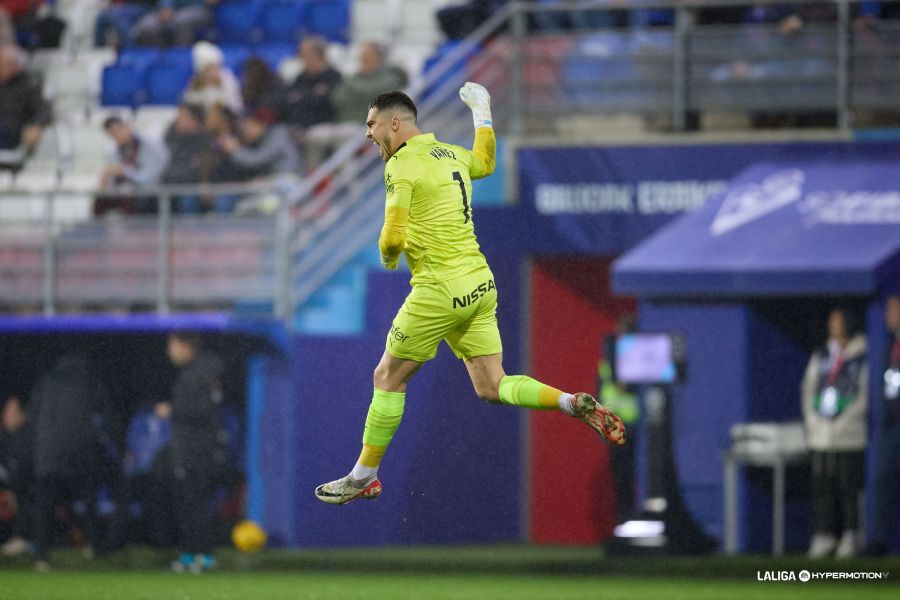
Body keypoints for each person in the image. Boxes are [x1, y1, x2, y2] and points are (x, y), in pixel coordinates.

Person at [314, 84, 626, 505]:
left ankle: (363, 476)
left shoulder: (401, 165)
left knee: (387, 377)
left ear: (394, 122)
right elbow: (486, 162)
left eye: (371, 125)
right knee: (492, 385)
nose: (368, 135)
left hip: (438, 288)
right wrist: (483, 112)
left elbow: (391, 236)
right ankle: (571, 402)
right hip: (480, 283)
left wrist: (388, 257)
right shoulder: (452, 154)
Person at [28, 352, 115, 571]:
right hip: (81, 455)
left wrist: (37, 451)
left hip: (48, 456)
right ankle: (94, 548)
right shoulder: (90, 381)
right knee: (88, 502)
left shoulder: (46, 381)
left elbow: (33, 415)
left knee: (45, 507)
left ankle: (41, 556)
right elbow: (105, 416)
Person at [802, 307, 868, 559]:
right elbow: (808, 390)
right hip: (821, 434)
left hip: (849, 435)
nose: (834, 325)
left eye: (838, 321)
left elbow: (863, 395)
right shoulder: (822, 356)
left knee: (848, 486)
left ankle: (851, 534)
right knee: (822, 486)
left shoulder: (862, 356)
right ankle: (824, 534)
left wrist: (842, 421)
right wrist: (815, 420)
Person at [157, 332, 225, 574]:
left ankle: (203, 555)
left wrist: (172, 411)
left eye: (173, 345)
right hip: (190, 451)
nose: (170, 351)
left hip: (194, 453)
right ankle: (190, 554)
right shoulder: (200, 373)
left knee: (194, 505)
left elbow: (203, 412)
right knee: (188, 505)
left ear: (187, 347)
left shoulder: (197, 375)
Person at [865, 294, 900, 555]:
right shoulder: (891, 346)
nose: (888, 315)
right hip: (892, 425)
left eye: (892, 309)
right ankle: (878, 542)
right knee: (883, 481)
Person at [599, 318, 640, 524]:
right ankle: (624, 520)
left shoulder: (639, 360)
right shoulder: (608, 362)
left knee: (635, 476)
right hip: (615, 428)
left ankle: (633, 519)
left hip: (636, 430)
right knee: (620, 478)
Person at [97, 116, 170, 214]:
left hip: (153, 191)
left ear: (127, 126)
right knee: (101, 200)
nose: (116, 137)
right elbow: (115, 175)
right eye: (112, 135)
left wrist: (124, 171)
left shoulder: (151, 145)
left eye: (117, 131)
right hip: (130, 190)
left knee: (133, 200)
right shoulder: (117, 150)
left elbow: (151, 178)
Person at [0, 44, 51, 169]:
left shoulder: (29, 85)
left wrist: (37, 125)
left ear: (15, 65)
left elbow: (43, 110)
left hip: (14, 130)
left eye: (4, 63)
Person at [278, 36, 342, 131]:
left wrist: (302, 96)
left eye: (304, 53)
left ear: (317, 55)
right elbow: (288, 99)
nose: (300, 57)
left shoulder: (333, 76)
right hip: (294, 126)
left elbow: (326, 103)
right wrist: (311, 94)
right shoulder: (301, 77)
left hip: (323, 126)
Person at [0, 395, 34, 557]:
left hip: (21, 489)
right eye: (6, 411)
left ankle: (20, 539)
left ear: (23, 416)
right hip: (5, 487)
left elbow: (27, 470)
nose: (7, 415)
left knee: (23, 495)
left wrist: (12, 489)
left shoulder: (29, 439)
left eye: (12, 412)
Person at [183, 41, 243, 113]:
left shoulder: (228, 81)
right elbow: (189, 107)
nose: (215, 71)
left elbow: (236, 108)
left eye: (217, 66)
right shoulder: (194, 85)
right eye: (210, 68)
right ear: (202, 71)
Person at [131, 0, 216, 47]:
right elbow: (166, 5)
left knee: (181, 21)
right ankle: (157, 60)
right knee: (147, 25)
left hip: (199, 10)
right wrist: (166, 7)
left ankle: (180, 55)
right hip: (175, 11)